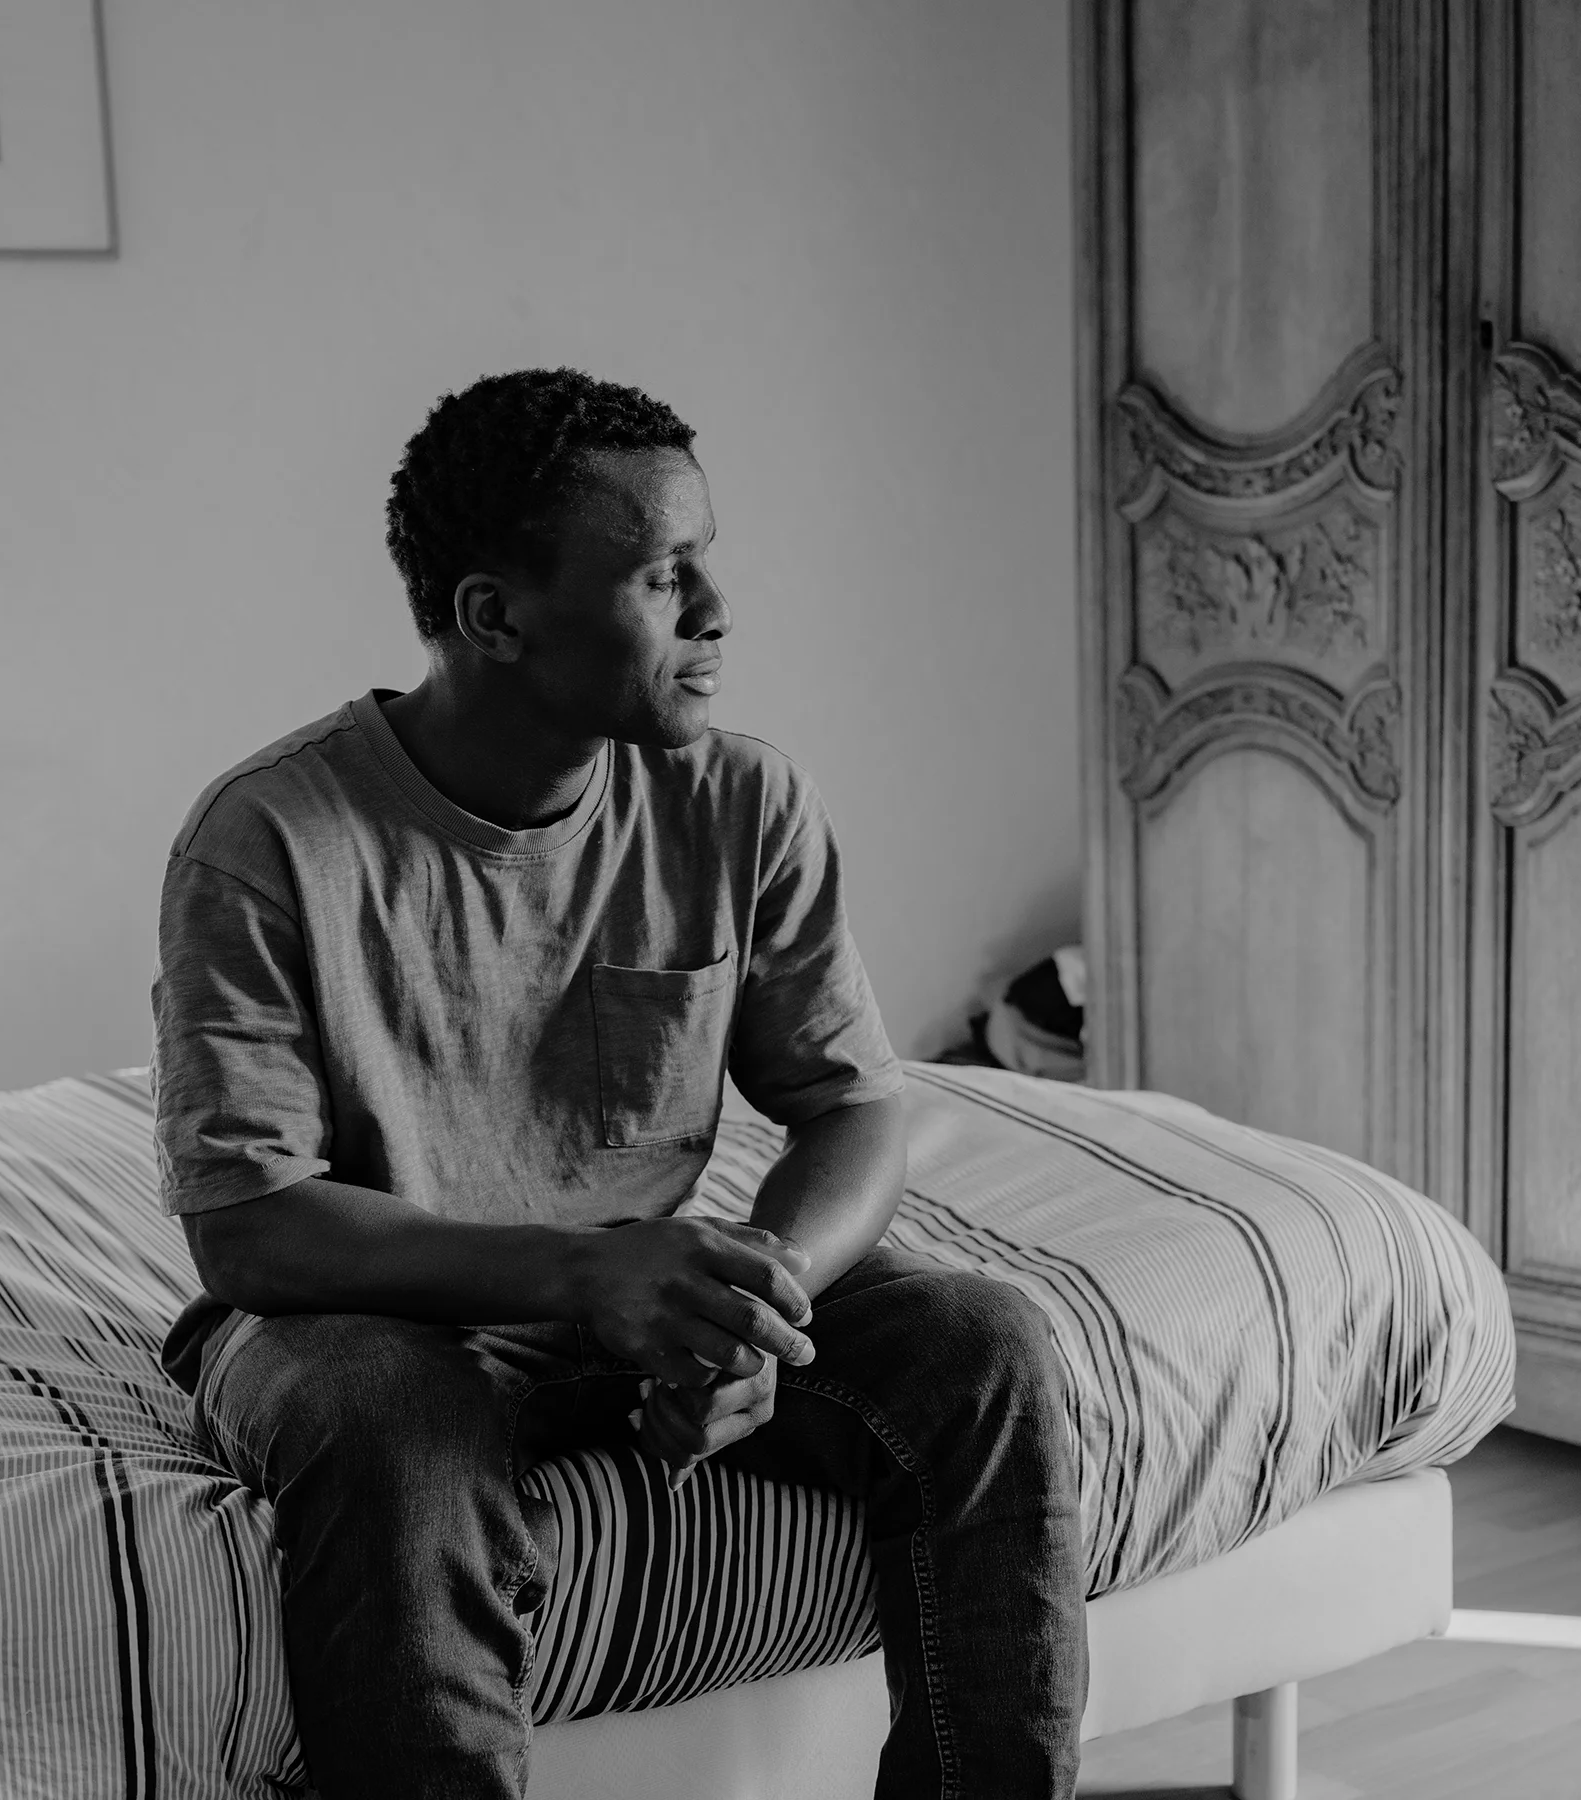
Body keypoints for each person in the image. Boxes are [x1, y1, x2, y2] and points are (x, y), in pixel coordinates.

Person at [150, 368, 1083, 1799]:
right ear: (493, 617)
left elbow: (852, 1107)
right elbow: (249, 1226)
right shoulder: (272, 836)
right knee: (400, 1433)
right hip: (374, 1315)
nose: (714, 610)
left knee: (985, 1347)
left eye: (707, 560)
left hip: (640, 1298)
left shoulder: (740, 801)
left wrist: (751, 1308)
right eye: (662, 574)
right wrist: (592, 1281)